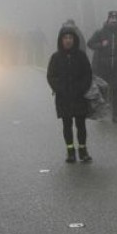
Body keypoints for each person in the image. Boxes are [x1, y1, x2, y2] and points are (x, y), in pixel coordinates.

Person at [46, 25, 93, 163]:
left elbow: (88, 74)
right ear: (61, 40)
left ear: (75, 39)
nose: (68, 40)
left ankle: (83, 150)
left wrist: (82, 88)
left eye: (70, 38)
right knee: (67, 125)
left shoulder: (81, 56)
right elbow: (51, 76)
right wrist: (59, 88)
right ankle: (70, 151)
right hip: (63, 97)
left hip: (79, 96)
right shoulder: (55, 57)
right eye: (65, 38)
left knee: (81, 125)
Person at [86, 10, 117, 123]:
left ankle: (116, 115)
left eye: (115, 19)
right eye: (112, 18)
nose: (113, 21)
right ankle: (101, 113)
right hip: (102, 67)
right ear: (108, 19)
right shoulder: (100, 32)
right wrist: (101, 45)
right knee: (102, 91)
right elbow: (90, 43)